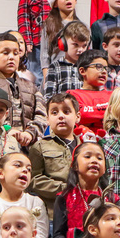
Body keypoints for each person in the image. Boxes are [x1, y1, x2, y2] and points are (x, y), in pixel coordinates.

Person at [0, 31, 45, 147]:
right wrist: (7, 130)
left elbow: (41, 114)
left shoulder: (31, 86)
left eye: (15, 53)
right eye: (5, 53)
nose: (11, 57)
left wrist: (30, 133)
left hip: (26, 147)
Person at [28, 92, 82, 220]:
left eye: (66, 111)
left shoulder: (86, 147)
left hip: (82, 215)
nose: (61, 116)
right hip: (53, 215)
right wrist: (65, 189)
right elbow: (33, 180)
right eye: (54, 113)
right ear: (47, 119)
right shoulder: (40, 147)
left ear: (77, 117)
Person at [52, 141, 111, 238]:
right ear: (74, 165)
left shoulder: (111, 199)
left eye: (99, 158)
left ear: (104, 168)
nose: (94, 160)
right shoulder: (64, 198)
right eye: (87, 156)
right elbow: (58, 235)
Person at [18, 0, 58, 84]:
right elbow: (23, 20)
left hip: (56, 43)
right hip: (36, 43)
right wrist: (26, 41)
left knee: (55, 72)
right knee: (36, 74)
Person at [40, 0, 80, 80]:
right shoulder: (49, 25)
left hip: (77, 72)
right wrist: (47, 77)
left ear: (75, 0)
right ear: (55, 4)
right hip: (56, 73)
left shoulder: (82, 26)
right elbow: (45, 54)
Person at [67, 48, 114, 133]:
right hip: (84, 143)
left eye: (106, 69)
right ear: (82, 71)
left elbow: (119, 114)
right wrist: (109, 110)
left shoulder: (113, 95)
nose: (104, 72)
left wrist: (93, 113)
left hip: (110, 142)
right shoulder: (72, 94)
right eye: (98, 67)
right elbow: (82, 115)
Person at [43, 20, 89, 100]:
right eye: (76, 45)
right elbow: (48, 98)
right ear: (63, 44)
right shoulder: (55, 67)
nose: (80, 50)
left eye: (84, 46)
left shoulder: (89, 67)